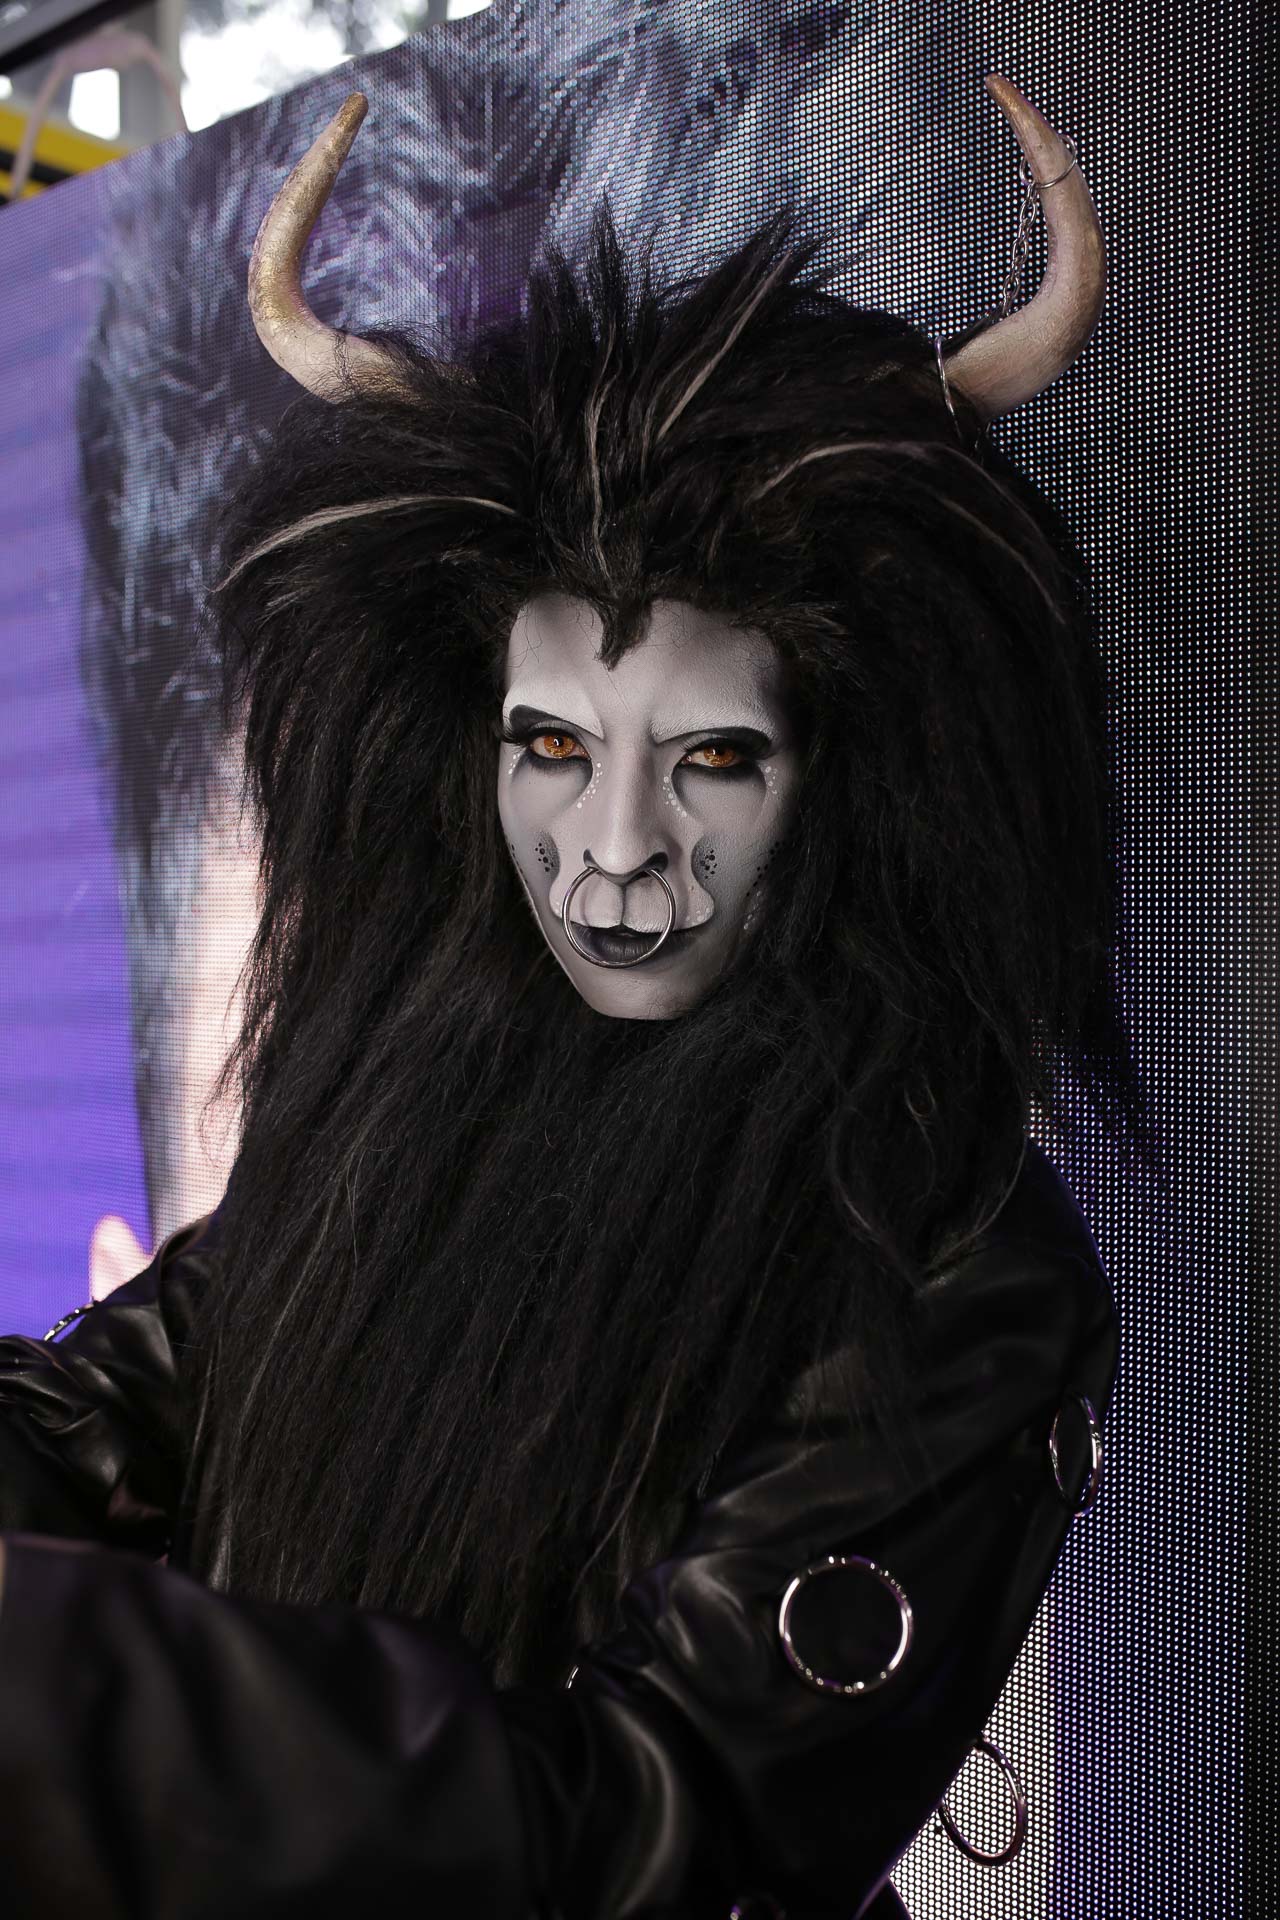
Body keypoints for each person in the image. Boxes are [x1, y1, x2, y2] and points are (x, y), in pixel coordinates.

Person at [0, 75, 1156, 1920]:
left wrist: (64, 1702)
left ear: (844, 785)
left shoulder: (950, 1265)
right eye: (552, 747)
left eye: (712, 760)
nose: (613, 852)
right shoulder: (400, 1136)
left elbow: (654, 1841)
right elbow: (95, 1415)